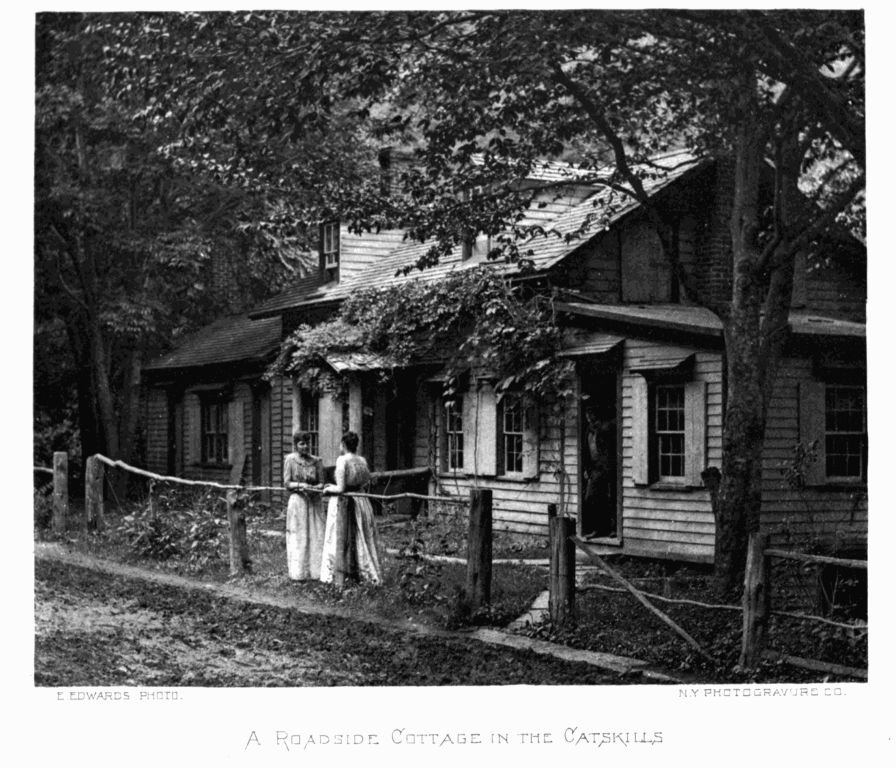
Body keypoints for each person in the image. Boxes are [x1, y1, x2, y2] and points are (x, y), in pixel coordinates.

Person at [319, 431, 383, 585]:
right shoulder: (362, 461)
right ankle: (362, 572)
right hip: (361, 501)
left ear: (344, 445)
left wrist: (328, 489)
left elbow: (341, 488)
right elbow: (364, 482)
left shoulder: (342, 460)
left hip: (346, 502)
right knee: (361, 537)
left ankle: (339, 573)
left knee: (339, 536)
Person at [283, 431, 325, 580]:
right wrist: (301, 485)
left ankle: (316, 572)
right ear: (296, 445)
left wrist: (316, 488)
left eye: (307, 443)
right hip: (298, 501)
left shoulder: (317, 461)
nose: (305, 446)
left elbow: (322, 482)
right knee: (299, 535)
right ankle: (299, 573)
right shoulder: (290, 460)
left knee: (316, 534)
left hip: (314, 502)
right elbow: (287, 483)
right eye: (302, 443)